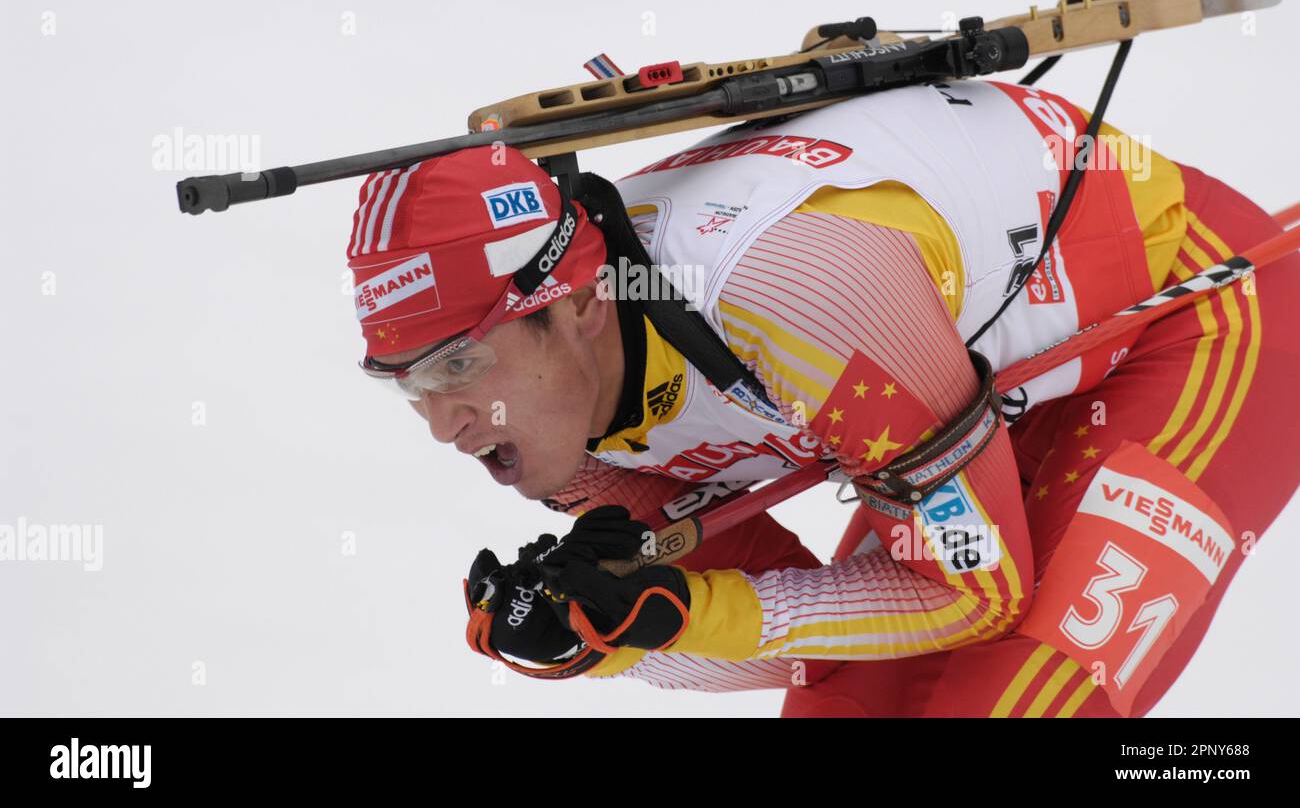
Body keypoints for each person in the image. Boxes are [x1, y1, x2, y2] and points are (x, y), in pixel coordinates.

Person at [345, 78, 1300, 716]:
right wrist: (618, 632)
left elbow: (974, 591)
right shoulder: (564, 427)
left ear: (583, 303)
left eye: (459, 366)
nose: (442, 424)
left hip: (1192, 315)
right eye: (410, 385)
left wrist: (678, 611)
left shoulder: (793, 294)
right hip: (970, 385)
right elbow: (814, 651)